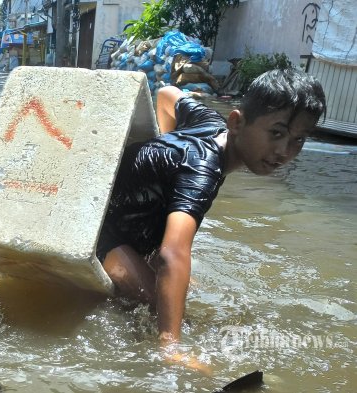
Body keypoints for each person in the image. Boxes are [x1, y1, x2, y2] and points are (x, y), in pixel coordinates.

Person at [97, 69, 326, 363]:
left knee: (176, 292)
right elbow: (172, 255)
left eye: (298, 140)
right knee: (160, 308)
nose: (284, 151)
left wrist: (165, 150)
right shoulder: (201, 169)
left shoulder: (209, 122)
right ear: (237, 122)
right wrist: (171, 346)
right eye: (276, 133)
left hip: (125, 216)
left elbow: (167, 94)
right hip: (100, 234)